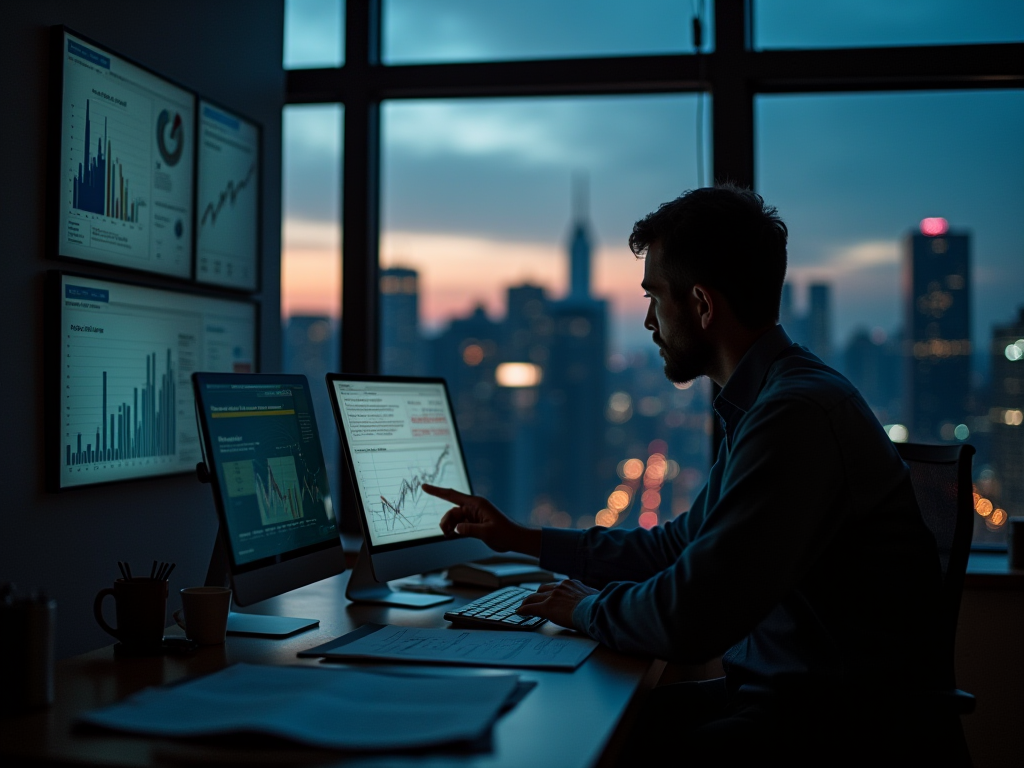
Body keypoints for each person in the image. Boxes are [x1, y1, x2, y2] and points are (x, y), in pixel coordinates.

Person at [424, 185, 960, 767]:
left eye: (655, 297)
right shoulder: (771, 399)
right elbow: (679, 545)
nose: (650, 321)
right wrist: (525, 540)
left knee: (572, 743)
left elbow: (690, 618)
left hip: (837, 730)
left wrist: (582, 609)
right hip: (786, 702)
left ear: (702, 306)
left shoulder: (794, 415)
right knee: (574, 726)